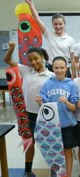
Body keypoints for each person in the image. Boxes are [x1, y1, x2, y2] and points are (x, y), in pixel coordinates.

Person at [3, 41, 54, 177]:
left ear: (42, 57)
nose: (33, 62)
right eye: (30, 60)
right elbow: (7, 60)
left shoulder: (51, 76)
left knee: (50, 144)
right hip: (28, 115)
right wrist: (12, 49)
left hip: (46, 116)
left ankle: (54, 171)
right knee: (29, 143)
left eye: (36, 58)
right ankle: (27, 171)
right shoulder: (26, 71)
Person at [36, 56, 79, 177]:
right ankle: (55, 174)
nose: (59, 70)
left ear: (66, 68)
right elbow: (44, 106)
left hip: (68, 124)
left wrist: (66, 102)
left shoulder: (71, 84)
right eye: (56, 68)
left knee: (67, 151)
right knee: (53, 152)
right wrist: (39, 101)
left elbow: (74, 108)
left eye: (62, 67)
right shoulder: (48, 83)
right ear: (52, 68)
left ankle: (68, 175)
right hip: (52, 125)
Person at [25, 0, 75, 78]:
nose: (58, 26)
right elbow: (37, 20)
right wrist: (31, 5)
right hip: (51, 68)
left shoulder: (70, 39)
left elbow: (73, 60)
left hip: (64, 69)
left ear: (64, 24)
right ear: (52, 24)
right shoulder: (49, 34)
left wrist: (74, 75)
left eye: (60, 24)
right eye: (55, 24)